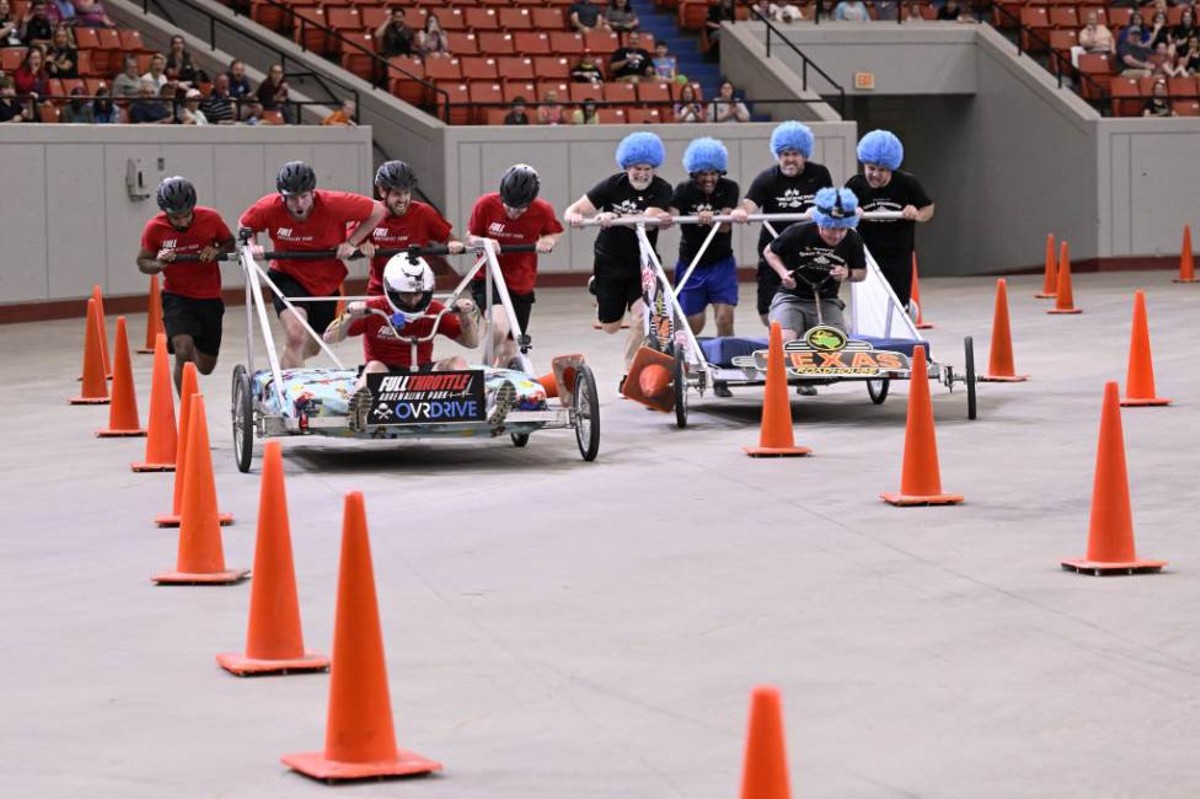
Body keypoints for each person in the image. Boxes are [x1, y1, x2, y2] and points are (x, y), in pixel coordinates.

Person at [238, 161, 388, 368]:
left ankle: (285, 367)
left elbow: (379, 210)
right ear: (283, 196)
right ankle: (291, 396)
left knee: (314, 345)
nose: (299, 203)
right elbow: (246, 224)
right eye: (292, 198)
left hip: (326, 280)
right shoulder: (269, 207)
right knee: (296, 334)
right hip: (287, 274)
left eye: (304, 196)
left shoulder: (335, 203)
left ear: (313, 193)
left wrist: (351, 242)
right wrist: (252, 245)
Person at [323, 253, 492, 432]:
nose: (413, 301)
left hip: (422, 374)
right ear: (392, 290)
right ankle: (358, 411)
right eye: (406, 295)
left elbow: (472, 343)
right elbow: (329, 337)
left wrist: (466, 317)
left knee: (457, 361)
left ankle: (490, 402)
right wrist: (349, 316)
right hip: (385, 376)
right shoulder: (374, 308)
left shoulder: (435, 310)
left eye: (418, 294)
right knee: (373, 366)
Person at [563, 132, 673, 371]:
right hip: (609, 262)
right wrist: (574, 215)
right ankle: (598, 288)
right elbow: (576, 208)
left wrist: (615, 217)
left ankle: (630, 371)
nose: (642, 174)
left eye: (647, 169)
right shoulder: (613, 184)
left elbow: (648, 218)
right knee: (610, 326)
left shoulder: (662, 189)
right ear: (627, 167)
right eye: (637, 168)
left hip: (641, 264)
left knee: (643, 317)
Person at [136, 177, 236, 391]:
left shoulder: (211, 219)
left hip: (209, 297)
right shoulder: (155, 228)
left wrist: (217, 251)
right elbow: (143, 262)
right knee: (182, 349)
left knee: (207, 367)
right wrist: (159, 263)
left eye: (186, 215)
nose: (182, 222)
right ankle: (188, 412)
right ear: (165, 212)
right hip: (177, 297)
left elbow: (230, 242)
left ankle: (195, 351)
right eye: (175, 217)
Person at [733, 120, 833, 325]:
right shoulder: (767, 178)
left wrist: (820, 209)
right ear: (778, 155)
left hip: (809, 251)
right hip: (774, 250)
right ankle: (780, 338)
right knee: (766, 311)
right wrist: (741, 212)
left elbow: (830, 204)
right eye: (785, 154)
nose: (790, 159)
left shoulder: (819, 174)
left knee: (811, 305)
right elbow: (749, 204)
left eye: (795, 154)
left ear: (804, 154)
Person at [466, 164, 564, 367]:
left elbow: (555, 231)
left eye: (519, 209)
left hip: (521, 283)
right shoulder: (485, 204)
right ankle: (484, 374)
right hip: (489, 278)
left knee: (511, 350)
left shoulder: (542, 210)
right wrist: (483, 242)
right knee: (499, 328)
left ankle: (500, 390)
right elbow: (471, 237)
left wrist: (549, 241)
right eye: (508, 206)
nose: (512, 213)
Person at [668, 137, 742, 396]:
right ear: (694, 173)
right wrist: (663, 214)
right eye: (703, 174)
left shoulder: (729, 188)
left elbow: (725, 225)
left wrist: (711, 220)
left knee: (724, 318)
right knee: (694, 324)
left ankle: (724, 373)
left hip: (721, 263)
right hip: (692, 264)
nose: (709, 178)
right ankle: (688, 365)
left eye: (713, 173)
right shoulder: (684, 190)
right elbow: (668, 215)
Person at [844, 128, 934, 312]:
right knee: (869, 305)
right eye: (871, 168)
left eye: (881, 170)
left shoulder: (907, 183)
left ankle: (907, 311)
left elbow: (928, 208)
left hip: (898, 255)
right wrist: (851, 211)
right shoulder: (855, 184)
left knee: (897, 304)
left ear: (891, 168)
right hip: (866, 255)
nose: (875, 174)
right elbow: (838, 213)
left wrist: (916, 213)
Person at [763, 187, 866, 341]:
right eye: (831, 229)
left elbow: (861, 273)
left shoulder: (852, 238)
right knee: (784, 339)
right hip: (791, 297)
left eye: (842, 229)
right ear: (821, 223)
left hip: (827, 299)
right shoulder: (799, 231)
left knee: (834, 343)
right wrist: (783, 273)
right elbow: (769, 252)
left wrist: (847, 274)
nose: (837, 235)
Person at [365, 159, 464, 296]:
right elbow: (348, 247)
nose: (403, 199)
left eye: (406, 193)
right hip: (380, 291)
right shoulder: (371, 213)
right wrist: (362, 246)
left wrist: (455, 244)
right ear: (382, 191)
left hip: (417, 292)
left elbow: (452, 240)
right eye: (397, 194)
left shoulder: (424, 212)